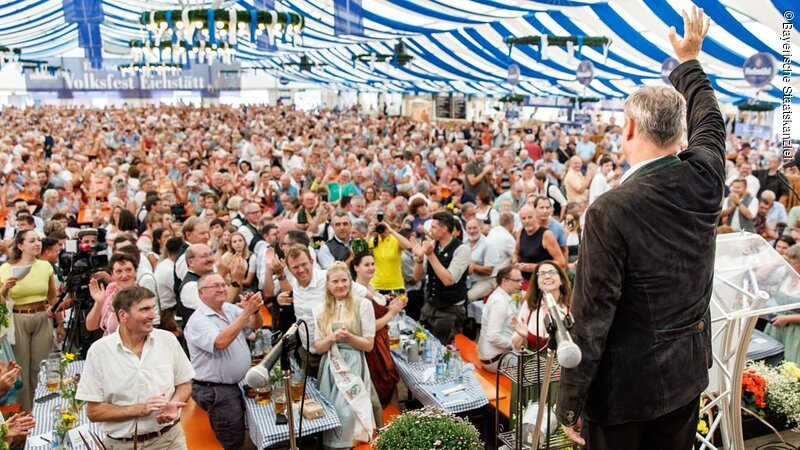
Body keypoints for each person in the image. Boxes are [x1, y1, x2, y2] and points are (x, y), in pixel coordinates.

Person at [556, 10, 724, 449]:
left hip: (624, 395)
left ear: (628, 128)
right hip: (686, 377)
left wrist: (570, 401)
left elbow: (591, 320)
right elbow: (711, 121)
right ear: (680, 135)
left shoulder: (611, 209)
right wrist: (690, 62)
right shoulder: (705, 175)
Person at [76, 286, 194, 449]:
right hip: (122, 445)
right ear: (123, 315)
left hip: (169, 439)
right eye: (145, 309)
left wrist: (173, 403)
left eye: (152, 308)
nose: (152, 315)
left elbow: (184, 384)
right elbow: (94, 412)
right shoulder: (99, 352)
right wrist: (140, 409)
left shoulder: (167, 340)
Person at [184, 273, 263, 450]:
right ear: (201, 293)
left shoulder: (228, 308)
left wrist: (255, 311)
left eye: (223, 284)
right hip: (216, 390)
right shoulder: (198, 320)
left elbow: (255, 324)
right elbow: (221, 342)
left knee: (239, 431)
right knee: (232, 440)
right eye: (215, 286)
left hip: (236, 383)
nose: (221, 288)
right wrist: (246, 312)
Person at [313, 262, 380, 449]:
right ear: (328, 285)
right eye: (335, 281)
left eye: (344, 280)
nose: (340, 285)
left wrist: (348, 336)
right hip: (330, 367)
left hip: (354, 365)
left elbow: (368, 345)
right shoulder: (319, 309)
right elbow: (318, 347)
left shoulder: (364, 304)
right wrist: (331, 338)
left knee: (350, 413)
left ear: (350, 282)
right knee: (332, 413)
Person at [0, 229, 59, 411]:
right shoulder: (5, 268)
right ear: (20, 245)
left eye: (38, 240)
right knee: (21, 369)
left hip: (42, 317)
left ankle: (39, 411)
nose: (37, 244)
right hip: (17, 318)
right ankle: (24, 414)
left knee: (39, 368)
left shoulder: (45, 266)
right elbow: (1, 302)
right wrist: (5, 289)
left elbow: (53, 297)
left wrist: (59, 322)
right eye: (32, 240)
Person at [351, 252, 403, 408]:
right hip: (373, 347)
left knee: (390, 381)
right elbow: (369, 327)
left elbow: (376, 312)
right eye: (366, 265)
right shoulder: (359, 293)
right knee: (381, 382)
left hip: (382, 341)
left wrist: (391, 307)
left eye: (372, 264)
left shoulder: (370, 287)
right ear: (356, 268)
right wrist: (391, 313)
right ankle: (385, 422)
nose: (371, 267)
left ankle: (395, 418)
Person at [413, 212, 471, 344]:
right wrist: (420, 259)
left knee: (443, 350)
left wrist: (431, 255)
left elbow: (448, 280)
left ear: (444, 229)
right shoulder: (434, 246)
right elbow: (416, 277)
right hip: (430, 305)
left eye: (433, 227)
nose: (430, 230)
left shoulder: (462, 249)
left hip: (450, 309)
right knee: (421, 343)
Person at [513, 261, 571, 351]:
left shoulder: (571, 305)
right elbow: (516, 347)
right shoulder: (529, 305)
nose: (547, 276)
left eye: (552, 272)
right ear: (537, 283)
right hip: (533, 364)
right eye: (542, 274)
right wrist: (523, 336)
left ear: (561, 280)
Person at [478, 266, 524, 372]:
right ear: (504, 281)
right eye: (517, 281)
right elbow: (493, 336)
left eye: (521, 280)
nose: (521, 284)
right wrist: (515, 345)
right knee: (537, 368)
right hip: (496, 360)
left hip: (494, 356)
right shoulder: (500, 302)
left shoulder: (501, 296)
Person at [86, 253, 139, 336]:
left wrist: (117, 306)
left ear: (135, 272)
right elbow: (91, 326)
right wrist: (98, 303)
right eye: (119, 271)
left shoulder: (141, 296)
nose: (124, 275)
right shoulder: (111, 292)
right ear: (112, 274)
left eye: (128, 270)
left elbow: (126, 331)